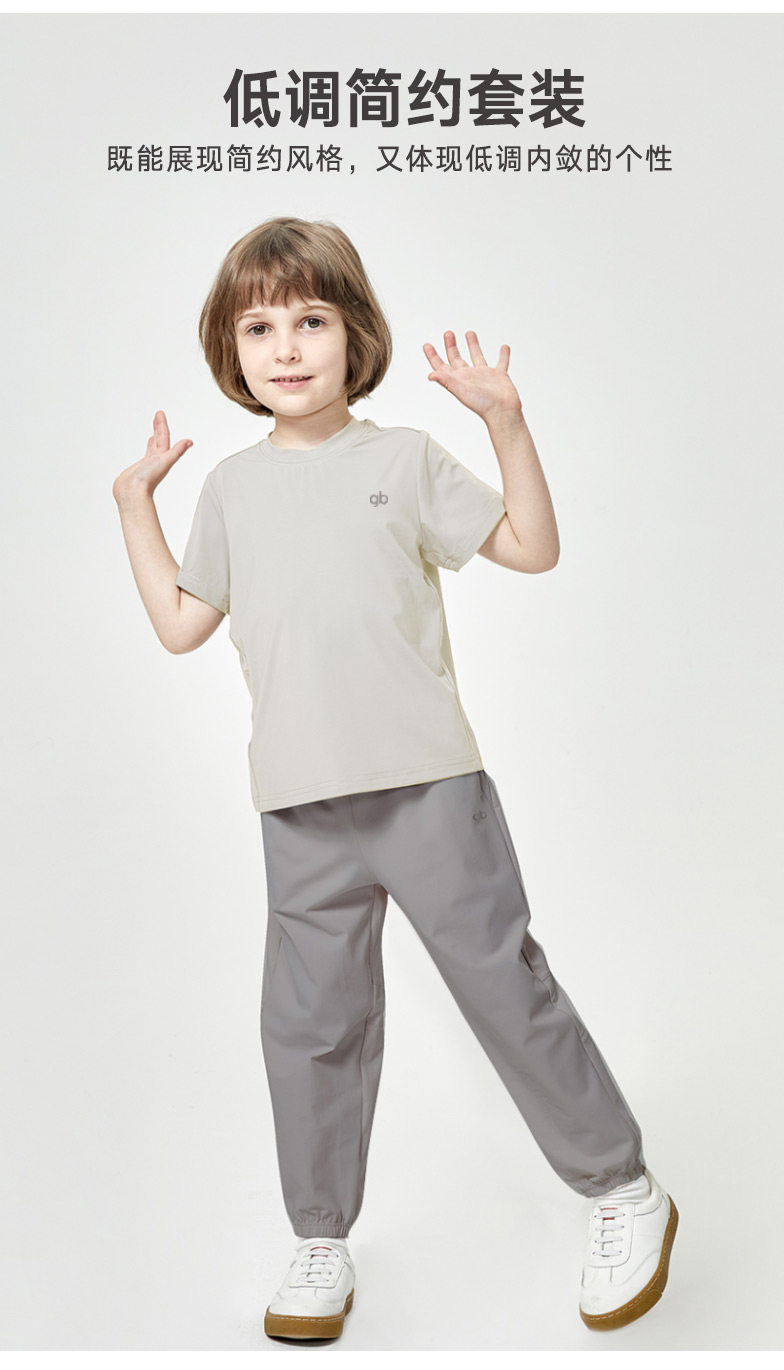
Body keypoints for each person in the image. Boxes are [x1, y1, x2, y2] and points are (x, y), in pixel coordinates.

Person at [112, 216, 678, 1343]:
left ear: (354, 334)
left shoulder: (404, 460)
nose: (285, 347)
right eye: (258, 327)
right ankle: (320, 1234)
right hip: (298, 804)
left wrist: (506, 423)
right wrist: (136, 505)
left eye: (310, 319)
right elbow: (179, 622)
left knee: (504, 991)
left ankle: (623, 1187)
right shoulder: (228, 487)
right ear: (231, 350)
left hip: (427, 787)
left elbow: (531, 547)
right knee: (310, 1026)